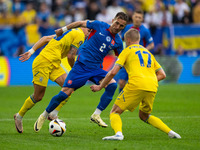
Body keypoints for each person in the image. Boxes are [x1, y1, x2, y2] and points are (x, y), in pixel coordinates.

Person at [33, 12, 128, 132]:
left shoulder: (118, 42)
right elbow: (79, 23)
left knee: (112, 85)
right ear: (113, 20)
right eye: (117, 23)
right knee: (64, 93)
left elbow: (121, 60)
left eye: (121, 26)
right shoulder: (99, 25)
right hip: (81, 66)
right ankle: (44, 114)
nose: (117, 27)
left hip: (96, 69)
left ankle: (96, 115)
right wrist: (62, 29)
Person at [90, 28, 181, 140]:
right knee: (144, 116)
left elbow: (113, 72)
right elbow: (162, 74)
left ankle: (118, 134)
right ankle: (170, 132)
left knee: (115, 111)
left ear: (127, 40)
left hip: (136, 84)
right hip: (152, 86)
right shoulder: (148, 53)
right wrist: (148, 81)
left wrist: (101, 85)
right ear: (138, 39)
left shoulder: (127, 51)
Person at [14, 27, 90, 133]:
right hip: (44, 62)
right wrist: (76, 71)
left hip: (54, 63)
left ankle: (53, 113)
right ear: (84, 28)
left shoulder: (69, 34)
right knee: (38, 96)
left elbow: (45, 38)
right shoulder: (80, 35)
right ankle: (19, 116)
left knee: (69, 88)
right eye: (89, 31)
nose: (88, 34)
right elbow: (70, 56)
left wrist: (31, 51)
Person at [118, 10, 154, 93]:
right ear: (132, 17)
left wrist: (143, 50)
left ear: (142, 19)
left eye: (139, 17)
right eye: (136, 17)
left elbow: (151, 44)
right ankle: (121, 100)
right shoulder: (127, 27)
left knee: (134, 84)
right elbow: (121, 39)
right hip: (126, 59)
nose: (137, 19)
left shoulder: (145, 30)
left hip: (137, 61)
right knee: (121, 82)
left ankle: (132, 101)